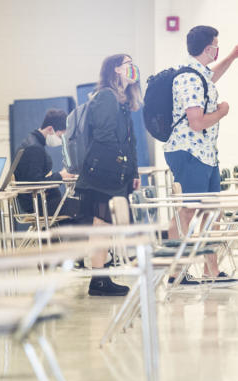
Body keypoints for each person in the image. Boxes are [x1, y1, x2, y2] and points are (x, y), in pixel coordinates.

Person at [163, 25, 238, 284]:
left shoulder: (198, 74)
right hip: (190, 153)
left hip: (205, 154)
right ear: (208, 47)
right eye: (216, 45)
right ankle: (175, 272)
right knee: (187, 212)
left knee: (211, 212)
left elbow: (211, 76)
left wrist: (232, 56)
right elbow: (196, 122)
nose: (217, 49)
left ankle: (212, 271)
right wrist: (222, 112)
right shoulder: (188, 78)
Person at [75, 54, 142, 296]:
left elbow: (129, 141)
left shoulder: (122, 102)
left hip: (116, 173)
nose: (132, 68)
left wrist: (132, 170)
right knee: (101, 226)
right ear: (115, 69)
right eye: (127, 64)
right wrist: (122, 163)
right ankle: (99, 279)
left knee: (105, 226)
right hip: (103, 173)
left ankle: (101, 278)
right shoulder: (106, 97)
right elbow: (104, 136)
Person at [14, 109, 78, 221]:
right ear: (50, 129)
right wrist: (61, 176)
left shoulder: (33, 143)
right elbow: (35, 184)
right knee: (81, 207)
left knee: (75, 205)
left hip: (39, 200)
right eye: (60, 137)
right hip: (37, 204)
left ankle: (55, 237)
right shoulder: (34, 148)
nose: (61, 141)